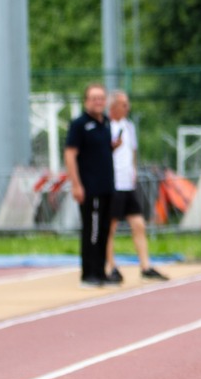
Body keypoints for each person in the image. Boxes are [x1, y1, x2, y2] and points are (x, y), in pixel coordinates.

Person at [104, 91, 167, 284]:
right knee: (110, 227)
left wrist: (133, 171)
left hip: (127, 184)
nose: (127, 107)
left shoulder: (129, 126)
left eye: (127, 104)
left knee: (139, 224)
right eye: (123, 104)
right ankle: (110, 266)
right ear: (113, 106)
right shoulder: (105, 126)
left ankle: (145, 266)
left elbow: (132, 151)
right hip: (112, 183)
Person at [64, 84, 117, 287]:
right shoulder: (79, 124)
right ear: (86, 101)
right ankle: (88, 273)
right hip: (89, 187)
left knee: (104, 230)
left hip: (107, 186)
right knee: (91, 231)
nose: (98, 102)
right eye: (94, 98)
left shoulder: (106, 123)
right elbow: (70, 154)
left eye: (101, 98)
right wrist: (76, 184)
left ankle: (101, 271)